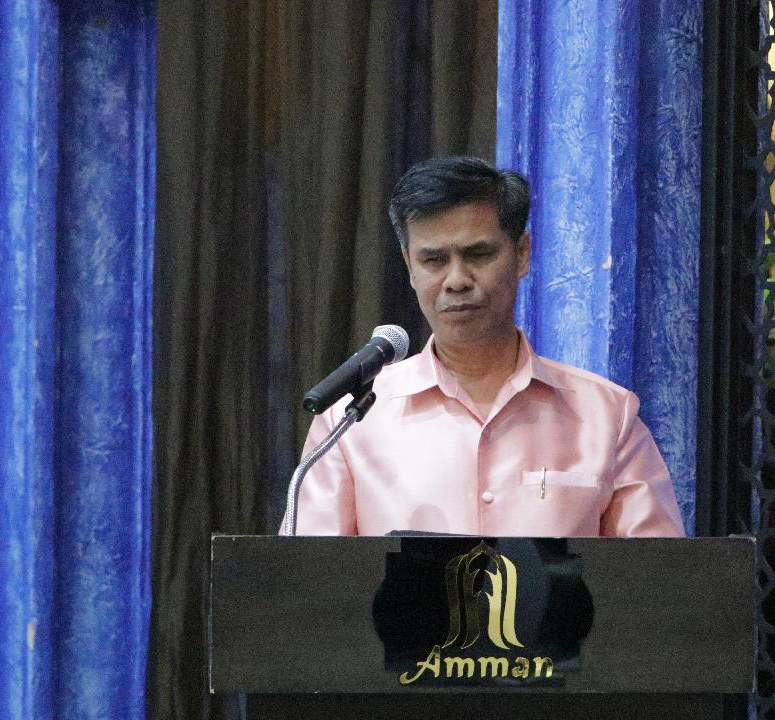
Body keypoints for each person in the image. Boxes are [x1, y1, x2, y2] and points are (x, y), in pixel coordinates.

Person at [293, 156, 684, 537]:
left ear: (522, 253)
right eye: (433, 260)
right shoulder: (349, 420)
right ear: (410, 267)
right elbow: (312, 574)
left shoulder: (606, 416)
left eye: (478, 254)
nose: (456, 280)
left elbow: (655, 573)